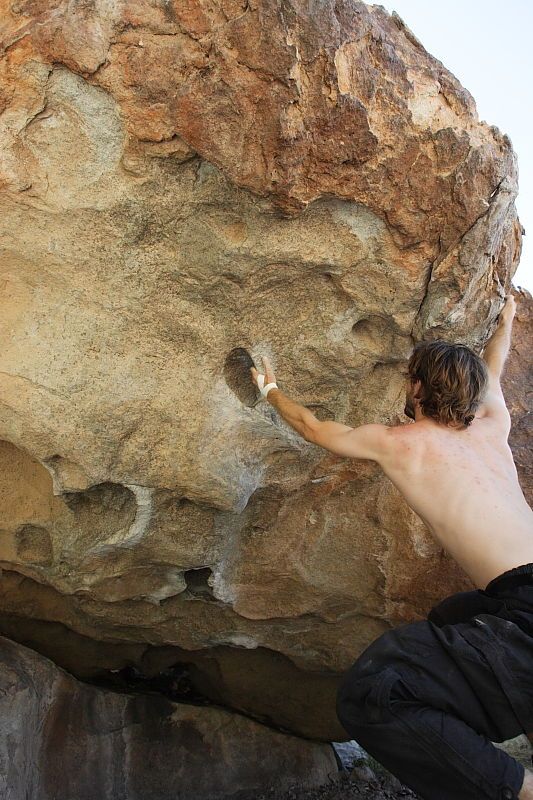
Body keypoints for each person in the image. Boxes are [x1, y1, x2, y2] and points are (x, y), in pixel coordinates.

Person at [250, 293, 533, 800]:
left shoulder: (401, 442)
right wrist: (506, 320)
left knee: (377, 690)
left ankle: (518, 788)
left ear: (417, 386)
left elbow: (313, 428)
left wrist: (269, 389)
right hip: (514, 600)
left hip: (524, 613)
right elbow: (496, 363)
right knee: (452, 615)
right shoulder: (494, 427)